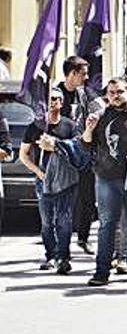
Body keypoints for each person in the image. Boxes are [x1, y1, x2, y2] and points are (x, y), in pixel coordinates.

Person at [84, 78, 127, 286]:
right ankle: (102, 271)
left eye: (119, 92)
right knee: (106, 225)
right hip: (106, 178)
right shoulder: (101, 116)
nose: (115, 96)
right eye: (111, 93)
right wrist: (88, 129)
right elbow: (86, 145)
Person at [20, 89, 79, 273]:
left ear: (61, 102)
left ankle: (63, 256)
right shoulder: (35, 126)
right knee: (47, 222)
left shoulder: (69, 126)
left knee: (64, 220)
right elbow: (23, 155)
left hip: (66, 181)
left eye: (55, 99)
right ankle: (50, 255)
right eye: (48, 99)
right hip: (43, 181)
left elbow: (77, 151)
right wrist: (38, 172)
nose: (51, 102)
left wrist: (56, 146)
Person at [56, 56, 98, 255]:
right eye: (83, 73)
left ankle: (83, 237)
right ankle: (58, 244)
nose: (86, 77)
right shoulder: (55, 94)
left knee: (87, 197)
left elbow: (100, 108)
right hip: (61, 153)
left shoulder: (85, 95)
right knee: (62, 197)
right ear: (72, 73)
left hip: (82, 152)